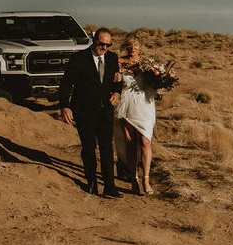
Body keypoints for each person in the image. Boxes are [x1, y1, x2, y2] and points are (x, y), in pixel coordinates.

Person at [59, 27, 123, 198]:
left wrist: (117, 93)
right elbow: (66, 83)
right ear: (94, 40)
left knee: (107, 149)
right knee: (88, 147)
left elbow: (117, 81)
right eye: (101, 44)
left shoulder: (112, 58)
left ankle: (110, 186)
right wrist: (65, 105)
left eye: (108, 45)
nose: (104, 48)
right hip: (84, 110)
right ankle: (91, 183)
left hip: (105, 111)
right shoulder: (79, 58)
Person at [115, 33, 160, 195]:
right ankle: (133, 179)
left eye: (135, 45)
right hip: (127, 106)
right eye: (129, 45)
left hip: (145, 106)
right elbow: (115, 85)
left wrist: (161, 81)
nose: (132, 49)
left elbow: (155, 86)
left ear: (140, 47)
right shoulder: (118, 62)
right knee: (130, 143)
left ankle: (146, 179)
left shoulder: (147, 64)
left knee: (145, 142)